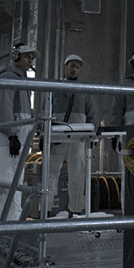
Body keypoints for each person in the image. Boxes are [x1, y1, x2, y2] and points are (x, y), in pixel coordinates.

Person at [44, 53, 95, 216]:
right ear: (65, 67)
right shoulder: (55, 88)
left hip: (79, 136)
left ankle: (75, 210)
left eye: (78, 67)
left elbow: (91, 113)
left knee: (78, 173)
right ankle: (45, 209)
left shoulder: (85, 90)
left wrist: (91, 135)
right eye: (72, 66)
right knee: (50, 172)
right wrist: (45, 133)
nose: (75, 69)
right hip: (58, 134)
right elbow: (47, 110)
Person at [0, 41, 37, 220]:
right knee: (11, 182)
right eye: (27, 56)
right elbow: (5, 107)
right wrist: (11, 135)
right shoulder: (8, 76)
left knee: (15, 181)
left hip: (19, 136)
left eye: (32, 57)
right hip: (11, 138)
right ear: (15, 56)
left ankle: (9, 223)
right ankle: (12, 225)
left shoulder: (21, 79)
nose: (30, 59)